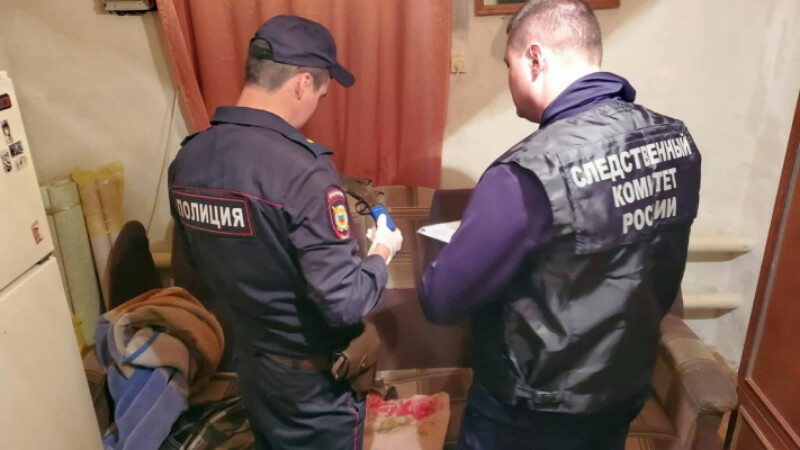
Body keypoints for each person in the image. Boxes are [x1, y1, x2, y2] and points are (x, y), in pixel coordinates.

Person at [417, 1, 701, 448]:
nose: (509, 80)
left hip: (530, 414)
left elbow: (441, 299)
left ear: (535, 58)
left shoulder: (527, 173)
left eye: (508, 65)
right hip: (621, 390)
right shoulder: (676, 142)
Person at [168, 15, 403, 450]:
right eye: (320, 94)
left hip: (253, 368)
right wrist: (382, 251)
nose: (317, 104)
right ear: (302, 83)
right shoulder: (303, 173)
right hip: (312, 387)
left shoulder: (188, 160)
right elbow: (346, 303)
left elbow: (192, 272)